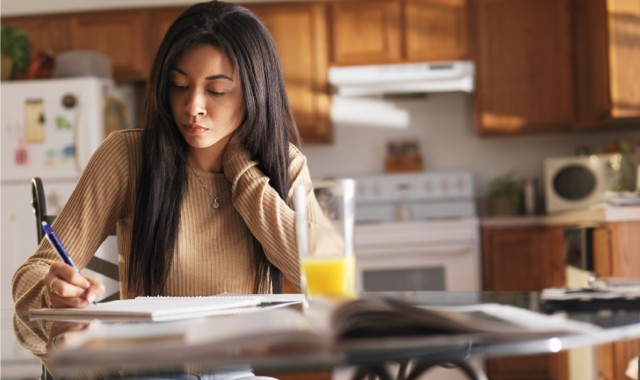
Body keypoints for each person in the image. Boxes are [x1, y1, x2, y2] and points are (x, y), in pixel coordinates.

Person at [13, 0, 326, 311]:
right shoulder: (127, 156)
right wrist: (54, 291)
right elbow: (30, 276)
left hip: (248, 358)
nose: (192, 107)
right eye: (179, 86)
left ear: (256, 93)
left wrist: (244, 175)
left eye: (216, 90)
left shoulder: (285, 163)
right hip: (153, 357)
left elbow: (324, 280)